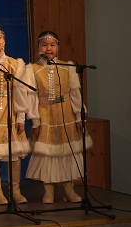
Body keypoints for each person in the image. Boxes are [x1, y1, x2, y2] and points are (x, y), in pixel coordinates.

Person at [25, 31, 91, 203]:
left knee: (67, 151)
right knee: (47, 153)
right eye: (44, 45)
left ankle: (68, 189)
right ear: (38, 47)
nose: (48, 49)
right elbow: (31, 98)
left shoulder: (67, 67)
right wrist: (35, 120)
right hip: (45, 113)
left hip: (66, 113)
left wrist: (79, 116)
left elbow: (75, 94)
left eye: (52, 45)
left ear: (58, 47)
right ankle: (48, 190)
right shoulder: (33, 69)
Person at [0, 25, 35, 204]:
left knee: (14, 153)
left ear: (4, 41)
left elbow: (21, 92)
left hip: (9, 113)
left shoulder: (14, 64)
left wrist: (21, 117)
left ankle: (15, 191)